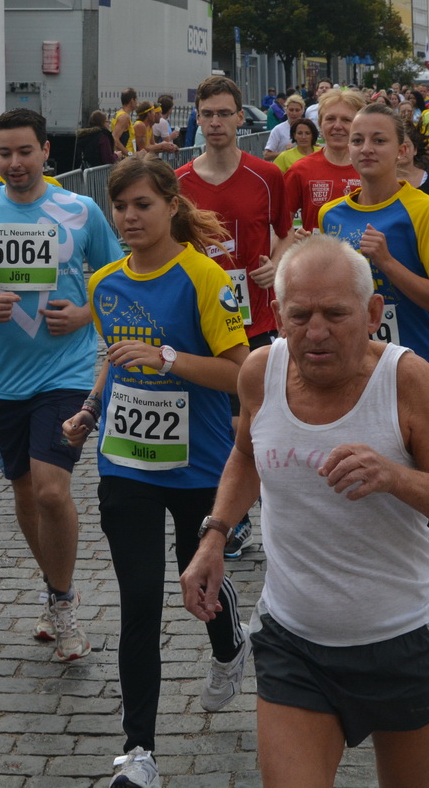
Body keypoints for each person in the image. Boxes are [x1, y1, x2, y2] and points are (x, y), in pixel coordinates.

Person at [178, 234, 429, 788]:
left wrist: (396, 476)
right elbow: (245, 455)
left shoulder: (407, 380)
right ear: (277, 315)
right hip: (292, 642)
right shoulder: (260, 372)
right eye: (300, 315)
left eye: (336, 314)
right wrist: (215, 535)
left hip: (403, 640)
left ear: (373, 313)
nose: (317, 331)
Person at [60, 155, 251, 788]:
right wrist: (90, 412)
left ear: (171, 205)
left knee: (196, 587)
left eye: (142, 204)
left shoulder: (203, 277)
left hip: (199, 465)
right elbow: (112, 361)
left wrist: (167, 357)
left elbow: (239, 373)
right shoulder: (106, 283)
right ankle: (138, 750)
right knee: (139, 600)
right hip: (127, 464)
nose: (129, 217)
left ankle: (230, 647)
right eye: (120, 207)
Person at [0, 108, 118, 662]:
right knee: (23, 492)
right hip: (2, 377)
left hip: (66, 371)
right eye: (4, 154)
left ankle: (64, 603)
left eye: (24, 152)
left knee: (50, 489)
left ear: (47, 151)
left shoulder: (81, 211)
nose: (14, 164)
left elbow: (116, 281)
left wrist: (85, 315)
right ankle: (54, 589)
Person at [317, 104, 429, 615]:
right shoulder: (332, 216)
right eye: (358, 140)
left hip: (416, 370)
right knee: (356, 479)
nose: (365, 149)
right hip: (351, 371)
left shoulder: (426, 211)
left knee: (426, 481)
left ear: (403, 150)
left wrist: (386, 262)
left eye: (379, 141)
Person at [178, 76, 291, 558]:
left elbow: (286, 232)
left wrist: (276, 263)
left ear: (241, 118)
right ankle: (233, 517)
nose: (216, 123)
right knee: (218, 426)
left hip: (257, 318)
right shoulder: (179, 183)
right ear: (198, 119)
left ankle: (276, 510)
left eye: (225, 113)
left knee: (258, 420)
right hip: (201, 323)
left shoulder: (268, 175)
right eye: (208, 114)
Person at [281, 88, 365, 234]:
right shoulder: (301, 170)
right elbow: (281, 227)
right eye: (330, 119)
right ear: (320, 123)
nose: (337, 126)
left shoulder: (372, 169)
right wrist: (293, 240)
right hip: (316, 255)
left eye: (346, 120)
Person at [264, 94, 306, 161]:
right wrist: (286, 153)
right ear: (286, 110)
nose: (294, 113)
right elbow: (267, 155)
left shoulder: (308, 129)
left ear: (302, 111)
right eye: (291, 110)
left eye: (297, 110)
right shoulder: (278, 130)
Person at [111, 87, 140, 157]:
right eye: (136, 100)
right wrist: (129, 154)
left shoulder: (119, 113)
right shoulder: (124, 117)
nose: (137, 103)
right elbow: (115, 138)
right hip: (125, 159)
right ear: (132, 101)